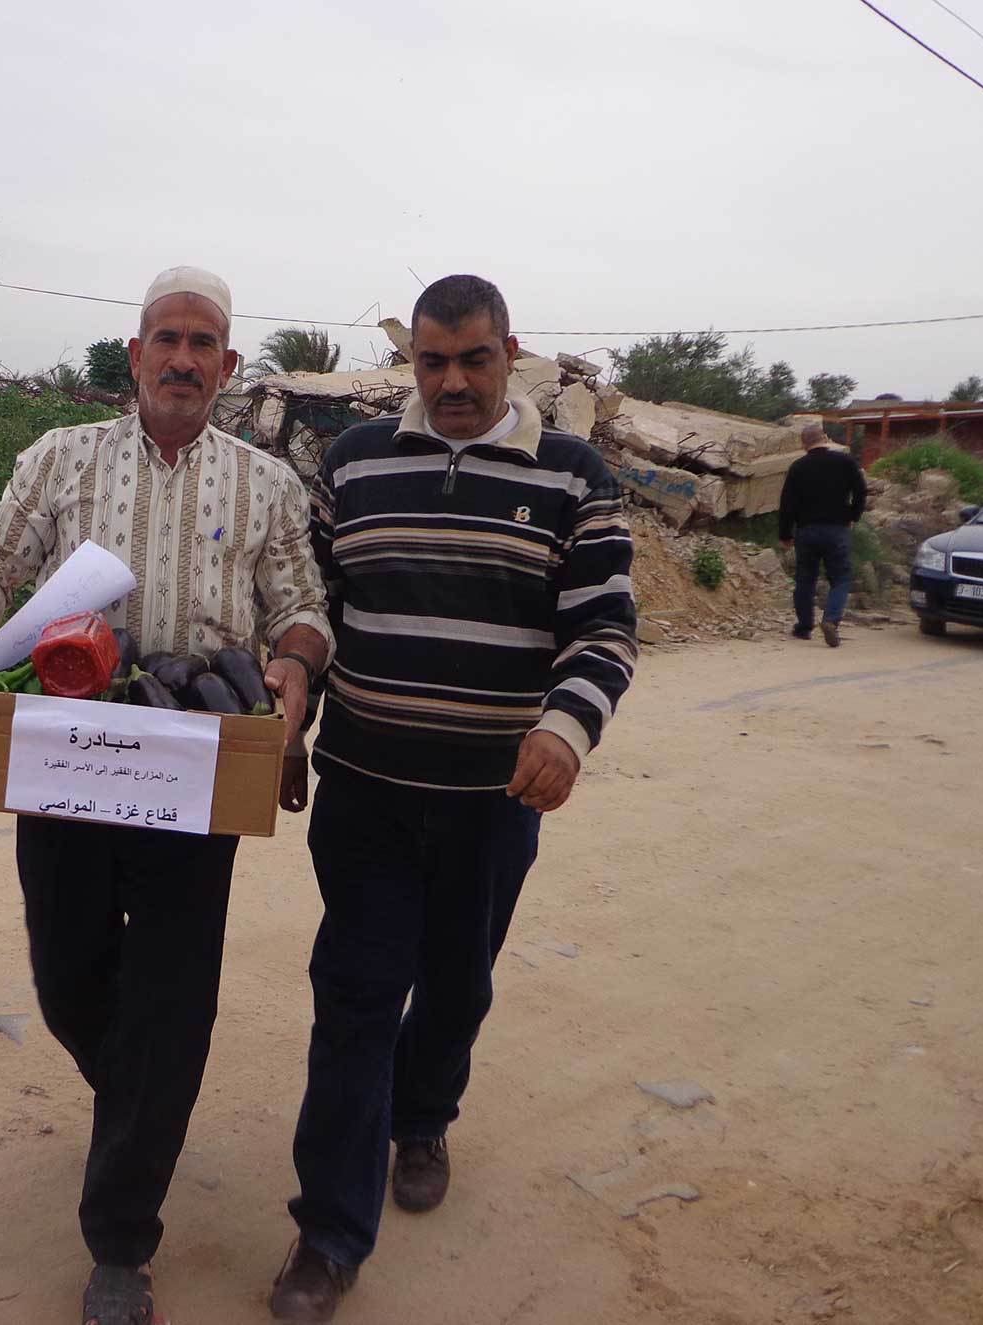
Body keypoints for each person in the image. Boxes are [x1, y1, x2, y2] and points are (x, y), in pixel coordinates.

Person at [0, 266, 332, 1325]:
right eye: (165, 338)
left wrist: (293, 664)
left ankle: (119, 1241)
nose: (182, 359)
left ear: (229, 367)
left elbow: (300, 607)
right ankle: (140, 1100)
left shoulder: (265, 484)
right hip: (69, 754)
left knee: (168, 997)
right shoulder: (59, 457)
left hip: (197, 767)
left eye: (203, 343)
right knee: (68, 974)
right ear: (133, 355)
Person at [269, 275, 638, 1321]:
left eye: (472, 359)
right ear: (412, 362)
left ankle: (422, 1114)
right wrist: (289, 706)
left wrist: (565, 728)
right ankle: (327, 1234)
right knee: (351, 994)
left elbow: (602, 627)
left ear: (507, 352)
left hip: (491, 797)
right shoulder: (352, 462)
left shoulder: (572, 477)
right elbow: (313, 605)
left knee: (455, 979)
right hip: (364, 790)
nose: (452, 382)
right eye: (431, 362)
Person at [777, 423, 868, 647]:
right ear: (825, 438)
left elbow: (787, 504)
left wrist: (785, 534)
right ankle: (831, 620)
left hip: (806, 531)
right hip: (837, 530)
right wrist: (853, 516)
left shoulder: (798, 467)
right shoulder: (845, 462)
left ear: (803, 443)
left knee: (805, 579)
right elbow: (861, 490)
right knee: (841, 577)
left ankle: (803, 628)